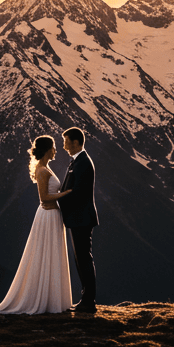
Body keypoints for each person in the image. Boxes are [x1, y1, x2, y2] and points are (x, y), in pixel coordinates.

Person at [0, 134, 72, 314]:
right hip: (48, 215)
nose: (56, 150)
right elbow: (44, 198)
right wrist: (66, 194)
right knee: (46, 254)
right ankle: (46, 299)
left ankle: (50, 298)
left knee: (49, 254)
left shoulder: (45, 168)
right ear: (48, 150)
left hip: (51, 216)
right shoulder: (42, 171)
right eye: (54, 147)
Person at [58, 126, 98, 313]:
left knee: (84, 259)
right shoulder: (77, 161)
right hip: (78, 219)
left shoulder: (83, 162)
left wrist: (57, 201)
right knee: (81, 259)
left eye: (66, 142)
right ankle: (86, 299)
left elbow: (78, 193)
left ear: (75, 142)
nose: (64, 146)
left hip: (82, 219)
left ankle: (89, 301)